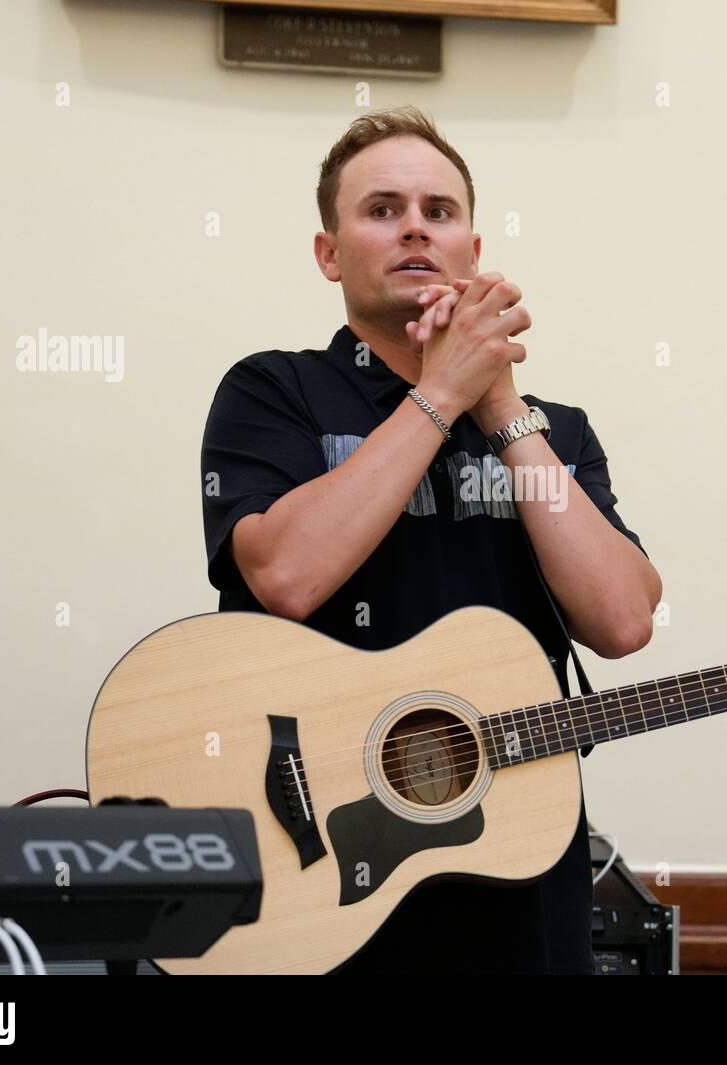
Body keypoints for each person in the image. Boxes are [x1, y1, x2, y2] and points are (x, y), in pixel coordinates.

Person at [200, 105, 662, 974]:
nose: (415, 224)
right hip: (314, 865)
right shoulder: (275, 390)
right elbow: (287, 576)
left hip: (517, 863)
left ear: (472, 252)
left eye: (439, 211)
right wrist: (440, 391)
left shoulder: (553, 430)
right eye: (382, 209)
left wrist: (500, 407)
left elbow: (622, 621)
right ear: (329, 254)